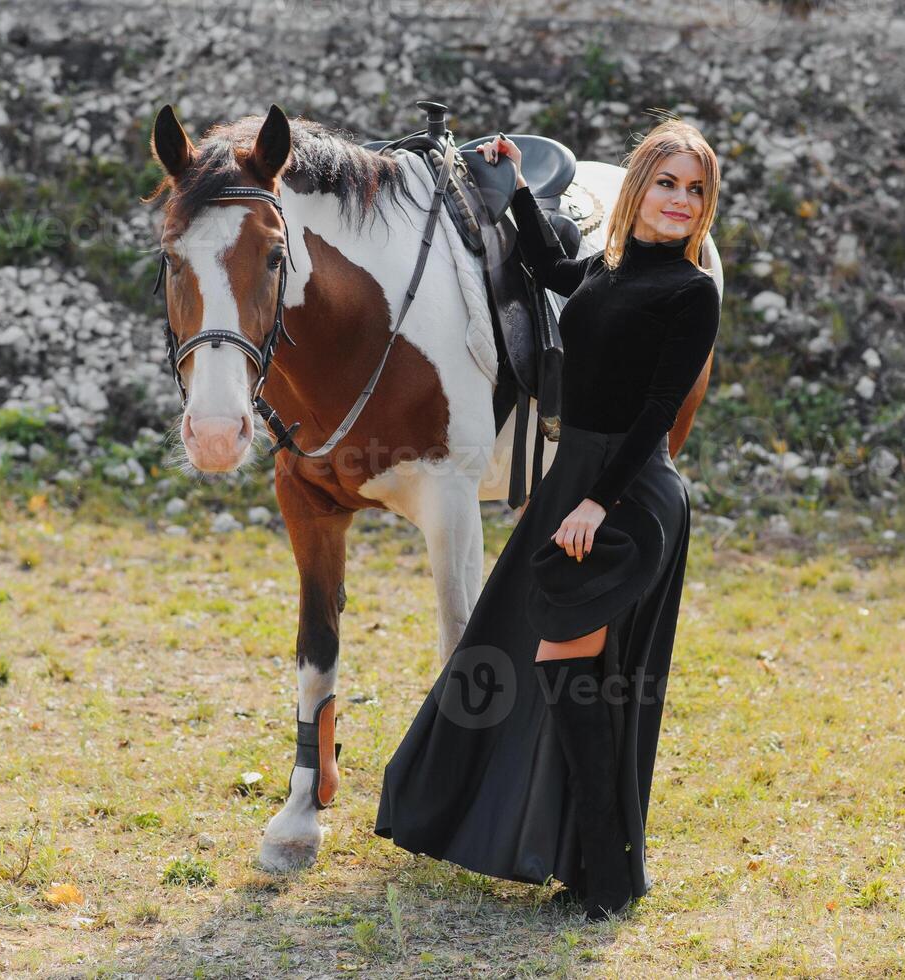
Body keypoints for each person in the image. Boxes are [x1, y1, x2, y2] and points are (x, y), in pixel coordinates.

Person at [373, 118, 722, 923]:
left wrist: (599, 502)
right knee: (569, 676)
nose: (679, 200)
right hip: (577, 485)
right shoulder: (607, 271)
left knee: (570, 670)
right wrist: (520, 195)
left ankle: (608, 877)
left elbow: (658, 412)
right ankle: (596, 869)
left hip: (627, 495)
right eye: (666, 182)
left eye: (694, 189)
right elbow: (551, 267)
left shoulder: (691, 288)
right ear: (638, 188)